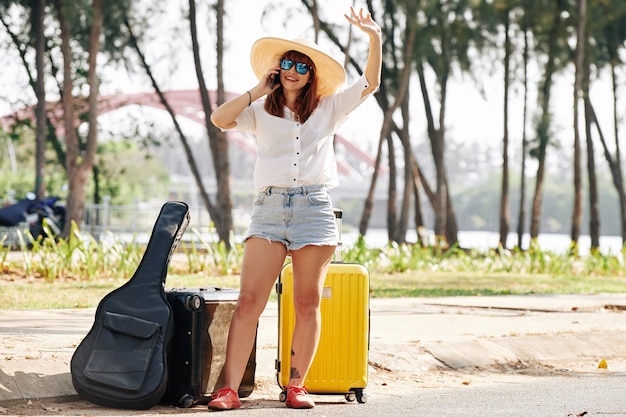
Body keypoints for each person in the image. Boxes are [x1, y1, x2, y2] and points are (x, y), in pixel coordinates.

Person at [207, 6, 381, 411]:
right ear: (277, 69)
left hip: (314, 209)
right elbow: (219, 119)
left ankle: (296, 385)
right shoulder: (259, 111)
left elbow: (370, 82)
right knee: (250, 300)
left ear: (311, 74)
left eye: (302, 65)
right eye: (287, 63)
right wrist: (257, 89)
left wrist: (374, 37)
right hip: (268, 209)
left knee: (307, 301)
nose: (293, 70)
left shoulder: (329, 108)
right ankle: (228, 389)